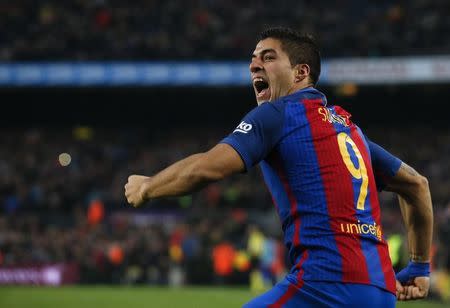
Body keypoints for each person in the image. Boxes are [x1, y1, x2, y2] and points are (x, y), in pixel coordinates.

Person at [124, 26, 433, 307]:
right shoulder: (350, 130)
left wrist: (148, 186)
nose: (254, 65)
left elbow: (207, 167)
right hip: (380, 293)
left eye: (268, 57)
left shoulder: (277, 114)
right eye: (254, 58)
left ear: (300, 73)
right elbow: (416, 185)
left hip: (325, 286)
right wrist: (419, 267)